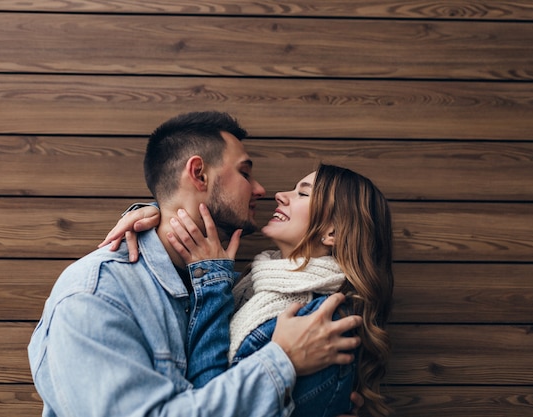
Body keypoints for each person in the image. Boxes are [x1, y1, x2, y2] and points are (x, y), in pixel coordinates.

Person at [27, 111, 363, 417]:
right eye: (245, 172)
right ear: (199, 174)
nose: (263, 190)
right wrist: (281, 362)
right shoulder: (95, 295)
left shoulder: (229, 286)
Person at [102, 164, 394, 417]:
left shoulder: (320, 322)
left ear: (332, 232)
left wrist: (214, 286)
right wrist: (155, 215)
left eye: (303, 193)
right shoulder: (256, 287)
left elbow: (209, 397)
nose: (281, 195)